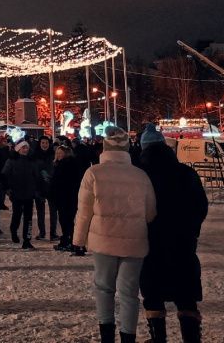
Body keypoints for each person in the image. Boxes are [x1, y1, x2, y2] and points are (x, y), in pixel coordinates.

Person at [74, 126, 157, 343]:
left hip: (103, 239)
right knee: (129, 292)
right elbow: (150, 212)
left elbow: (84, 211)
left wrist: (79, 240)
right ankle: (128, 337)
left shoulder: (93, 173)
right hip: (134, 241)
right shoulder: (141, 175)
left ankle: (107, 336)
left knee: (104, 287)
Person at [137, 132, 208, 343]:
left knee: (153, 293)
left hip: (151, 242)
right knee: (185, 293)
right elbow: (200, 205)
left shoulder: (141, 175)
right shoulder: (185, 173)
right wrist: (192, 229)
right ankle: (191, 336)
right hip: (182, 242)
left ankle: (158, 337)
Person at [2, 140, 42, 250]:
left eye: (26, 148)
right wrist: (8, 189)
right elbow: (4, 175)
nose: (25, 150)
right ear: (18, 149)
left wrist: (36, 189)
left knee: (28, 218)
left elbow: (37, 176)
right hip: (16, 193)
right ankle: (13, 230)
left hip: (29, 193)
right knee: (17, 215)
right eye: (23, 148)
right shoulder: (11, 161)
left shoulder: (31, 161)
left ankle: (27, 240)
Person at [50, 144, 87, 253]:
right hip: (69, 197)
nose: (58, 155)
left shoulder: (64, 165)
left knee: (66, 221)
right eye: (57, 153)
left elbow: (59, 182)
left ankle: (70, 241)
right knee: (68, 221)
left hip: (65, 197)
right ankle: (70, 240)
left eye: (61, 153)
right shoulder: (70, 164)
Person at [35, 136, 55, 240]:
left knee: (53, 212)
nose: (44, 144)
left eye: (46, 143)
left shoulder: (53, 154)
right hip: (39, 187)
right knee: (40, 212)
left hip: (51, 187)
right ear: (40, 143)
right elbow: (33, 171)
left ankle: (53, 232)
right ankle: (42, 232)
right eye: (42, 142)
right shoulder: (35, 155)